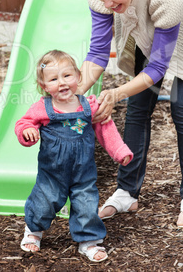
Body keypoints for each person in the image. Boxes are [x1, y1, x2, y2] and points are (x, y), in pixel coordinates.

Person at [78, 0, 183, 227]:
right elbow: (98, 53)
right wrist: (73, 93)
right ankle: (127, 191)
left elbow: (159, 65)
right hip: (148, 26)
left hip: (179, 18)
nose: (108, 2)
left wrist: (116, 93)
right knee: (138, 108)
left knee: (181, 111)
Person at [15, 49, 133, 262]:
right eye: (53, 79)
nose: (61, 83)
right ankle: (34, 230)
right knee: (44, 201)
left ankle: (88, 242)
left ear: (79, 77)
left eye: (67, 76)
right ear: (44, 86)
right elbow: (24, 123)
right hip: (52, 172)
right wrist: (27, 132)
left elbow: (106, 129)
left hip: (83, 171)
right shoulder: (43, 107)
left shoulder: (90, 106)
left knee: (86, 203)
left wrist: (120, 151)